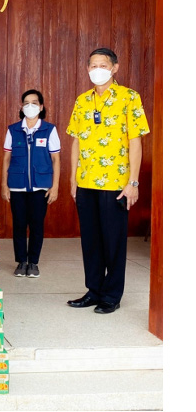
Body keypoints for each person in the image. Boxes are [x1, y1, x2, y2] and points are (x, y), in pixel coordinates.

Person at [66, 47, 150, 314]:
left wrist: (132, 182)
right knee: (90, 240)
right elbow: (76, 141)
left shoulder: (129, 98)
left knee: (113, 240)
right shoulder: (82, 101)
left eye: (102, 64)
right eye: (92, 65)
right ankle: (94, 290)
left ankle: (112, 295)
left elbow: (135, 142)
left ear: (115, 68)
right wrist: (72, 178)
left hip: (116, 183)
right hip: (86, 181)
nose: (96, 69)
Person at [0, 89, 61, 278]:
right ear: (22, 106)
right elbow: (6, 158)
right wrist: (4, 184)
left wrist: (55, 186)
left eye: (34, 103)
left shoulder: (49, 129)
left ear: (41, 107)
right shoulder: (13, 130)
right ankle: (21, 262)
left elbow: (56, 160)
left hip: (40, 187)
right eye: (26, 103)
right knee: (18, 225)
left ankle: (33, 262)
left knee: (36, 225)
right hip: (17, 185)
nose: (30, 106)